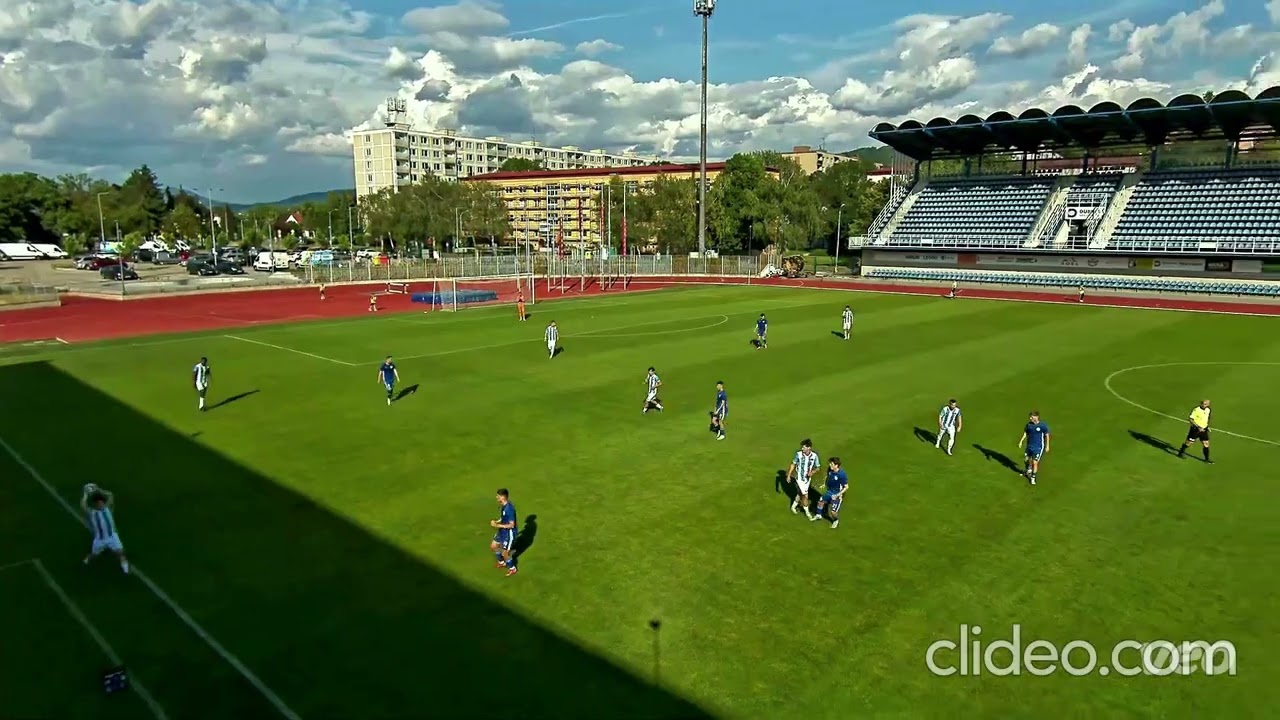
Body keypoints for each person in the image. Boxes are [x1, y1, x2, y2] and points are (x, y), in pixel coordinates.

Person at [81, 484, 128, 574]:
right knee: (94, 554)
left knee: (120, 553)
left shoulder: (107, 509)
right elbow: (83, 505)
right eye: (98, 503)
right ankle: (87, 559)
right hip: (100, 539)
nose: (101, 504)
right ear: (95, 504)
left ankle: (125, 569)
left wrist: (99, 490)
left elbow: (110, 495)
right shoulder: (92, 513)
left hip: (112, 537)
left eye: (101, 502)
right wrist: (85, 495)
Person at [787, 439, 820, 518]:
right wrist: (789, 475)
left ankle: (793, 506)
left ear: (809, 448)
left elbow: (818, 467)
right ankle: (807, 512)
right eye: (802, 447)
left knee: (800, 494)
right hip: (799, 479)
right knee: (805, 496)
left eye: (804, 447)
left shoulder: (814, 456)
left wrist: (812, 472)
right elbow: (793, 464)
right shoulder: (798, 454)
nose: (802, 449)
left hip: (807, 480)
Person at [490, 488, 519, 577]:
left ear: (502, 497)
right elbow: (503, 518)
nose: (496, 497)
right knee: (494, 546)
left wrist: (497, 526)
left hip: (508, 534)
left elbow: (512, 525)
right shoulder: (503, 506)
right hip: (502, 531)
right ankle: (502, 562)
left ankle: (512, 568)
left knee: (505, 553)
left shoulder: (509, 509)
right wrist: (497, 521)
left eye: (498, 496)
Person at [812, 457, 848, 529]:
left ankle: (835, 520)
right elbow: (827, 476)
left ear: (836, 465)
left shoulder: (842, 474)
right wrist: (824, 484)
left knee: (833, 512)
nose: (830, 465)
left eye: (831, 464)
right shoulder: (830, 470)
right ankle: (819, 515)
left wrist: (837, 495)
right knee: (820, 501)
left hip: (837, 494)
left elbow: (846, 487)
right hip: (829, 492)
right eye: (830, 463)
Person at [1018, 411, 1051, 485]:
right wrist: (1021, 441)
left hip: (1038, 447)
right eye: (1030, 417)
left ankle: (1033, 478)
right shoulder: (1029, 425)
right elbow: (1026, 433)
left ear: (1036, 417)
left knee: (1034, 462)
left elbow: (1047, 435)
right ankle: (1028, 471)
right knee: (1026, 460)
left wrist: (1047, 446)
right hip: (1029, 446)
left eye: (1032, 417)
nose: (1030, 418)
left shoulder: (1042, 425)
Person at [1177, 399, 1212, 463]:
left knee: (1206, 444)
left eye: (1206, 404)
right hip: (1195, 430)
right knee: (1189, 443)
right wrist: (1198, 427)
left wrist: (1207, 427)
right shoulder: (1196, 410)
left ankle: (1207, 459)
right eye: (1203, 404)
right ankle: (1181, 451)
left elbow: (1206, 419)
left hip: (1204, 430)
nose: (1204, 405)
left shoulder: (1208, 410)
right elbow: (1191, 419)